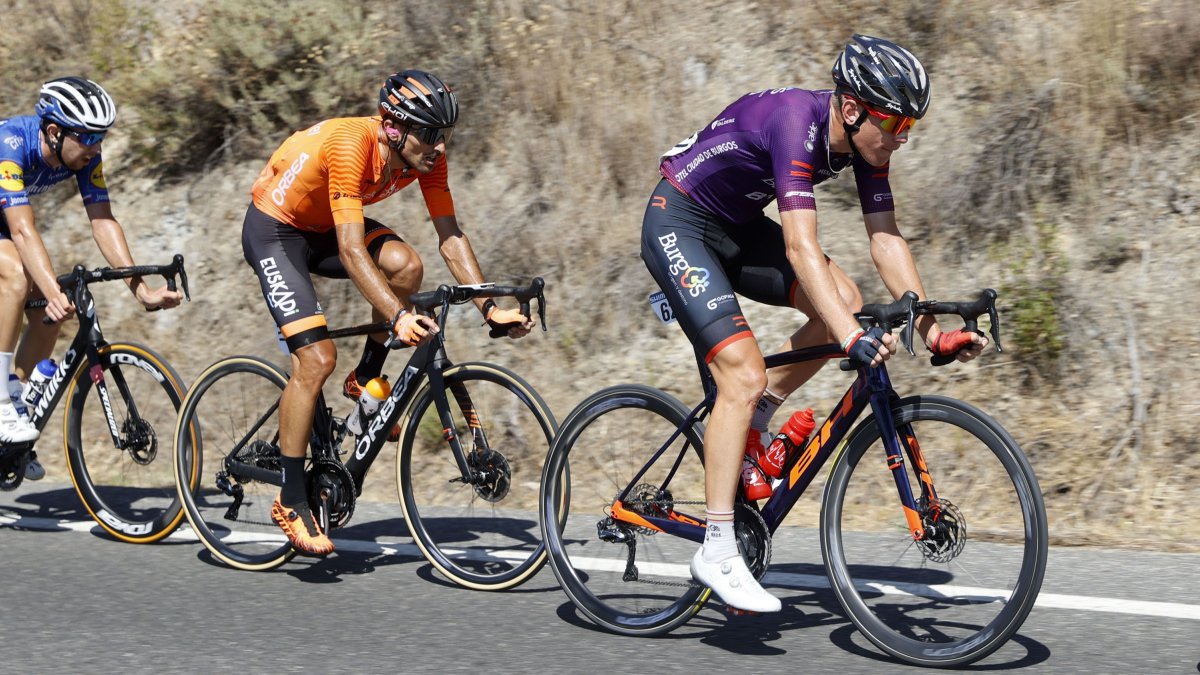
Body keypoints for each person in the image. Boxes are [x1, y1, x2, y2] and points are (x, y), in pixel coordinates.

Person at [640, 35, 988, 613]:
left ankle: (760, 416)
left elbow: (885, 239)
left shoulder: (863, 145)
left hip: (735, 228)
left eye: (911, 127)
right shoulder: (794, 123)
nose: (901, 138)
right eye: (895, 123)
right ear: (852, 109)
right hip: (678, 221)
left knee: (844, 297)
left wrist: (929, 329)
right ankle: (718, 549)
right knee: (742, 373)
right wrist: (850, 335)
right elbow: (802, 248)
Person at [242, 69, 534, 555]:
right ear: (394, 128)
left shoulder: (425, 158)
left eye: (443, 135)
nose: (438, 147)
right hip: (276, 230)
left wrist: (490, 309)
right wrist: (398, 318)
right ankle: (291, 500)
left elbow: (450, 236)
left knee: (406, 267)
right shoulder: (350, 144)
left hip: (324, 227)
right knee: (315, 360)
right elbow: (353, 252)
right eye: (428, 134)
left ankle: (366, 378)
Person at [0, 76, 182, 472]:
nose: (96, 147)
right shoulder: (11, 145)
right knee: (17, 275)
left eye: (101, 137)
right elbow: (21, 230)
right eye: (88, 137)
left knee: (49, 318)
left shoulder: (82, 154)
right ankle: (0, 403)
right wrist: (49, 288)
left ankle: (10, 418)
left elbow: (102, 221)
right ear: (54, 131)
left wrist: (141, 289)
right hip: (8, 227)